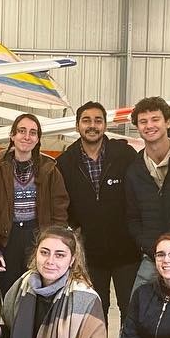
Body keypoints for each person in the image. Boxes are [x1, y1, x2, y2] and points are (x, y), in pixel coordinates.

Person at [55, 101, 141, 317]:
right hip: (90, 255)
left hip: (127, 252)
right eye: (86, 121)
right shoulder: (64, 163)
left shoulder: (125, 155)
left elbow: (140, 194)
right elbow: (61, 203)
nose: (92, 126)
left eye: (98, 120)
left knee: (131, 312)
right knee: (94, 314)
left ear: (105, 125)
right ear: (77, 126)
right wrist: (75, 229)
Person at [0, 113, 69, 297]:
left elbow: (59, 211)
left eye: (33, 133)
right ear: (12, 135)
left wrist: (54, 244)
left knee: (39, 293)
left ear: (38, 139)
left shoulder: (50, 170)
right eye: (21, 131)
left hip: (38, 239)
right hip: (8, 240)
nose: (27, 136)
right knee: (8, 294)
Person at [124, 96, 170, 294]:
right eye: (143, 121)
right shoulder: (134, 171)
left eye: (155, 119)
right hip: (153, 259)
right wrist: (151, 248)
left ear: (168, 122)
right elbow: (133, 217)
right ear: (137, 127)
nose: (149, 125)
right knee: (137, 307)